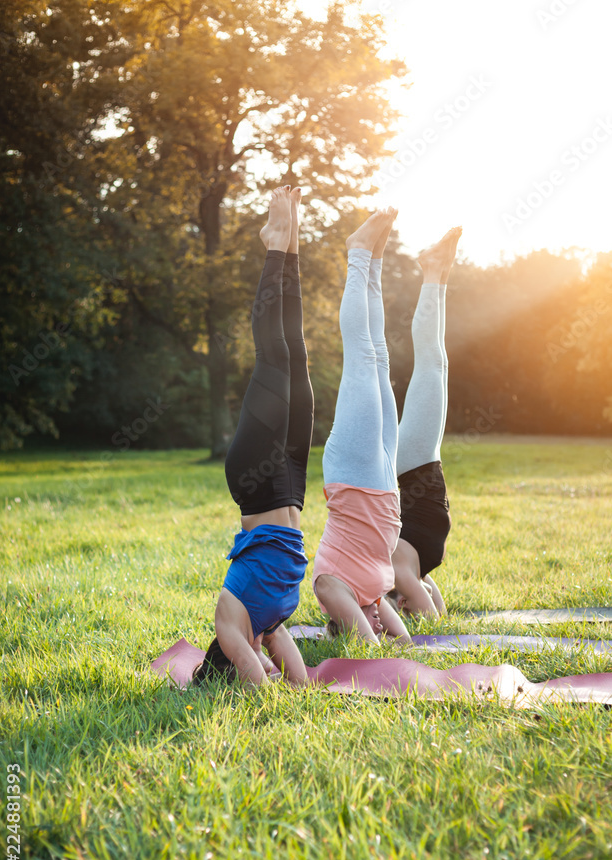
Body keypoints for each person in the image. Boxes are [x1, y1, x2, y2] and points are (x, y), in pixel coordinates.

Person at [194, 186, 314, 687]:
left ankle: (275, 242)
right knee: (296, 357)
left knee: (271, 357)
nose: (263, 658)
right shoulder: (269, 622)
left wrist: (260, 682)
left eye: (250, 658)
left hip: (255, 478)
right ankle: (291, 247)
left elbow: (256, 676)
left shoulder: (230, 625)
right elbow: (298, 678)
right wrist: (296, 688)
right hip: (289, 487)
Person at [312, 208, 412, 645]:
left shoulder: (330, 588)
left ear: (341, 624)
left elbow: (373, 647)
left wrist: (362, 631)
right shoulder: (373, 593)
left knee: (363, 357)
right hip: (383, 482)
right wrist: (378, 618)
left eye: (364, 625)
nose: (377, 626)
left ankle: (357, 254)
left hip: (354, 477)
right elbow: (404, 642)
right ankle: (375, 262)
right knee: (381, 356)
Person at [388, 226, 462, 619]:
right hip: (422, 467)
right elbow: (439, 612)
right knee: (438, 363)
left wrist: (418, 620)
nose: (413, 602)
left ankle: (432, 273)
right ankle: (440, 275)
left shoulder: (399, 571)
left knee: (431, 363)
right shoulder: (417, 572)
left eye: (405, 607)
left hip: (414, 468)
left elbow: (433, 623)